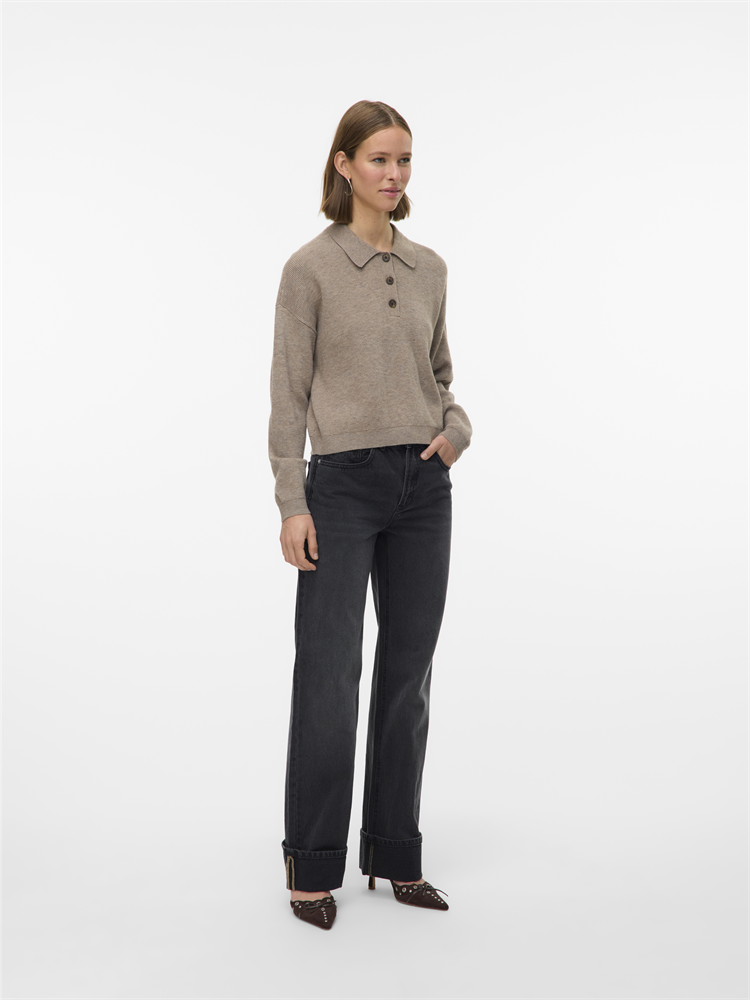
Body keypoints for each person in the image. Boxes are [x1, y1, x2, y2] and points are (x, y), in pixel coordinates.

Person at [267, 100, 473, 930]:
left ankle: (395, 854)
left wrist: (456, 430)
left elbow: (441, 374)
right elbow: (288, 395)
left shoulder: (429, 268)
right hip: (341, 488)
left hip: (424, 487)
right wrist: (292, 500)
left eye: (405, 160)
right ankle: (311, 869)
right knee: (328, 674)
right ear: (344, 164)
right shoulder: (309, 269)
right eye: (379, 159)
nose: (394, 174)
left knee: (408, 674)